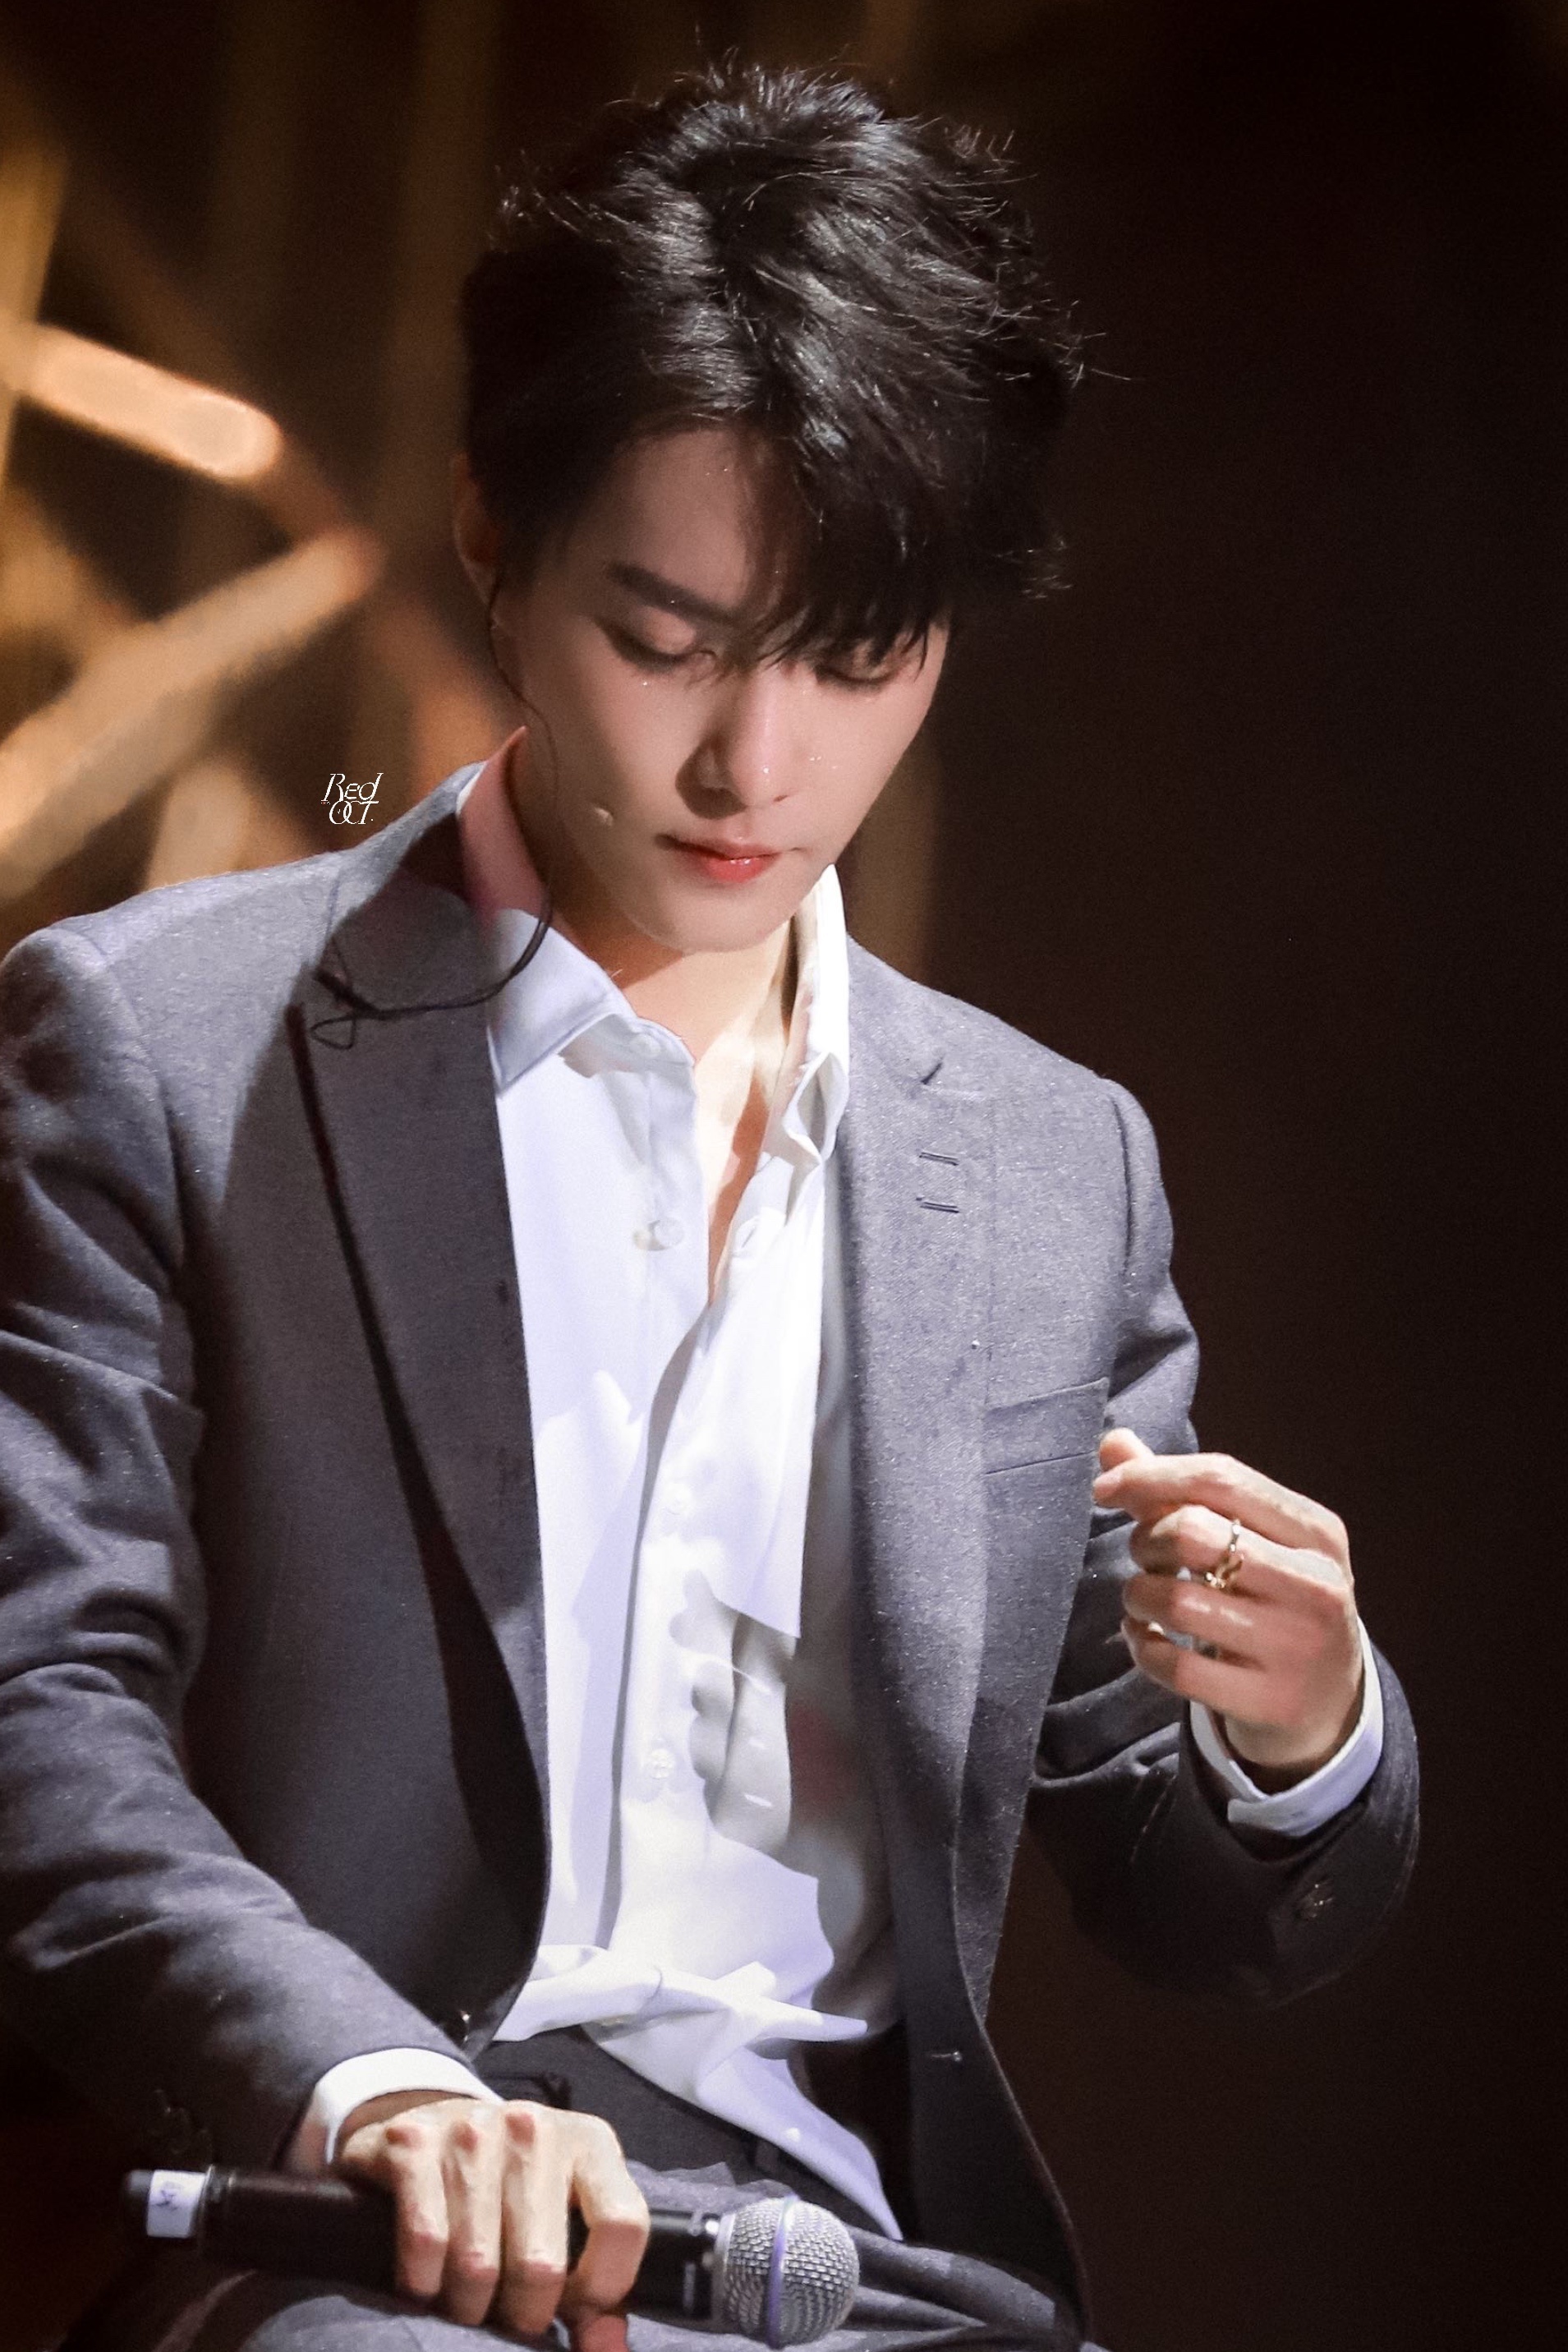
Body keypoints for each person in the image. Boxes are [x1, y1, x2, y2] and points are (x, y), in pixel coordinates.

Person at [0, 62, 1417, 2352]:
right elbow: (40, 1707)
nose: (758, 765)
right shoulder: (158, 1048)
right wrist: (366, 2083)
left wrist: (1301, 1730)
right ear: (491, 530)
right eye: (667, 638)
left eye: (857, 659)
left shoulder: (1050, 1169)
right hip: (355, 2246)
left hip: (862, 2283)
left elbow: (1190, 1896)